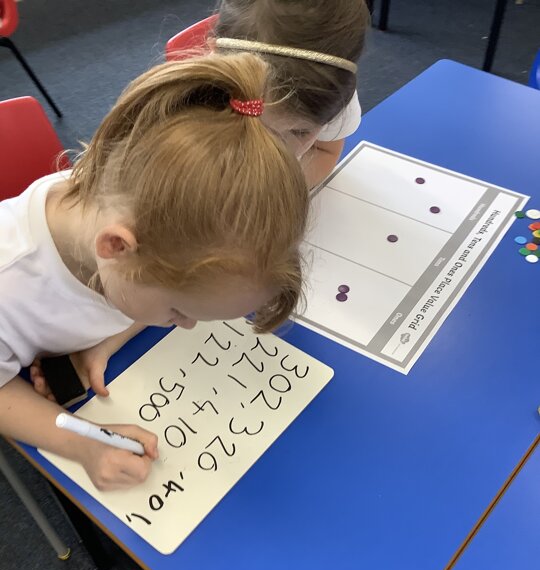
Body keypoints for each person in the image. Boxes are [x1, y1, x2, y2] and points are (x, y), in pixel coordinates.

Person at [0, 53, 308, 491]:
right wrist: (82, 442)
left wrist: (106, 343)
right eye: (179, 311)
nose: (186, 326)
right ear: (116, 249)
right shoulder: (11, 283)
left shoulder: (130, 207)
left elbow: (143, 294)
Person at [214, 0, 371, 187]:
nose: (277, 150)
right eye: (253, 121)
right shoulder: (196, 96)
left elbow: (325, 151)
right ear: (214, 59)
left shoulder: (331, 94)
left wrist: (281, 188)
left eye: (300, 132)